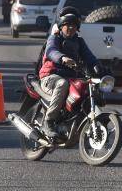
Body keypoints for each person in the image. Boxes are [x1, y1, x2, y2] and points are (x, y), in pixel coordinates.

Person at [38, 11, 101, 139]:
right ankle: (48, 122)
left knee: (86, 89)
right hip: (50, 76)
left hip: (71, 76)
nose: (71, 28)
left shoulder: (79, 42)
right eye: (67, 24)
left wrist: (99, 67)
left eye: (74, 25)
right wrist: (62, 58)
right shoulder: (55, 38)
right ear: (61, 26)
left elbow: (90, 57)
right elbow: (51, 51)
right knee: (63, 83)